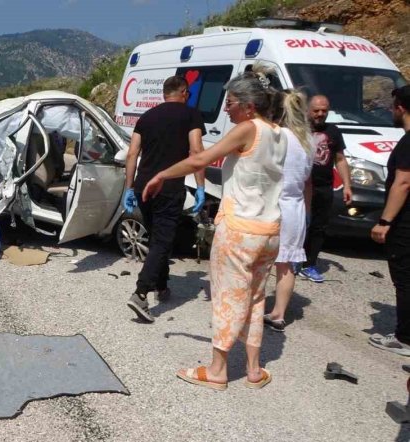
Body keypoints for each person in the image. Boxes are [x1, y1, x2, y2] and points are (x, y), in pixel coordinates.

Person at [142, 63, 286, 390]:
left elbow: (199, 160)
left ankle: (218, 370)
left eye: (231, 103)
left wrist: (162, 174)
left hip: (239, 230)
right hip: (269, 232)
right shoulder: (280, 134)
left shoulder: (247, 129)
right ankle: (253, 369)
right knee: (255, 299)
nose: (226, 108)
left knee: (227, 297)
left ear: (249, 106)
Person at [124, 75, 207, 322]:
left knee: (157, 238)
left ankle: (161, 286)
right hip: (168, 187)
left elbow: (132, 154)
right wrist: (200, 186)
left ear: (164, 94)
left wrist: (129, 188)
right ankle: (141, 293)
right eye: (188, 93)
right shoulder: (190, 115)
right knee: (162, 241)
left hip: (143, 188)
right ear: (183, 92)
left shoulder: (146, 118)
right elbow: (196, 151)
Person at [263, 90, 314, 332]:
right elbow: (306, 179)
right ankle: (279, 313)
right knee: (286, 263)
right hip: (295, 206)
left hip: (272, 203)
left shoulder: (276, 135)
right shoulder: (307, 139)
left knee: (260, 260)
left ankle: (254, 307)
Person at [369, 85, 410, 356]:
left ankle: (404, 338)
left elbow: (403, 182)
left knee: (405, 279)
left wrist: (385, 221)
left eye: (393, 106)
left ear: (401, 108)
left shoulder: (408, 141)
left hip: (405, 224)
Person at [299, 95, 353, 283]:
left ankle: (309, 264)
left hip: (324, 187)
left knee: (319, 227)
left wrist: (347, 185)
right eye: (316, 110)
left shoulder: (333, 131)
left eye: (324, 110)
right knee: (297, 224)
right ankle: (290, 259)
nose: (321, 114)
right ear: (308, 110)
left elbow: (340, 159)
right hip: (299, 187)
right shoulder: (298, 129)